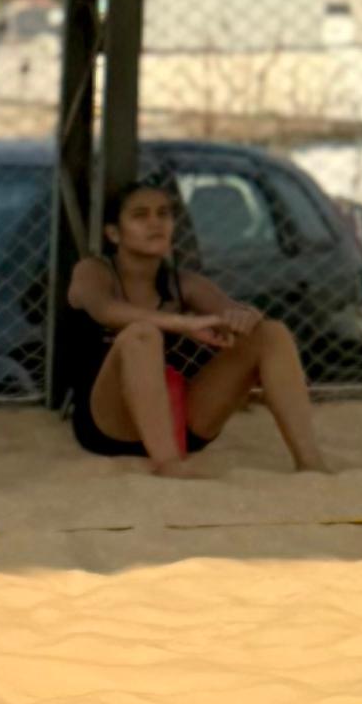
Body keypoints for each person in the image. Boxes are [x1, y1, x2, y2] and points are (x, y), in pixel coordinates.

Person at [66, 167, 335, 477]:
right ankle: (169, 466)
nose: (155, 222)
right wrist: (182, 323)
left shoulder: (185, 283)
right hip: (110, 427)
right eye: (140, 215)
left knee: (271, 333)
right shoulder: (93, 271)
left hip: (183, 424)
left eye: (163, 214)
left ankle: (311, 463)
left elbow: (229, 310)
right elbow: (105, 310)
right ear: (114, 233)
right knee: (142, 335)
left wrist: (241, 317)